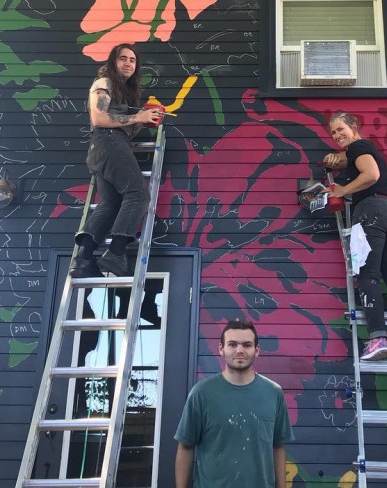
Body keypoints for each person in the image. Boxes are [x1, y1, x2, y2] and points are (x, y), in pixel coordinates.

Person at [322, 111, 387, 362]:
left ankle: (377, 339)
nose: (336, 135)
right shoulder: (360, 149)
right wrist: (334, 159)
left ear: (354, 127)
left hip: (371, 212)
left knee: (367, 274)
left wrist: (342, 190)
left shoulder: (359, 146)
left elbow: (371, 174)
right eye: (332, 132)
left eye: (341, 129)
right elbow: (348, 160)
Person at [70, 43, 162, 278]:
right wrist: (137, 116)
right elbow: (100, 118)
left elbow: (123, 124)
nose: (128, 64)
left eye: (132, 60)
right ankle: (116, 252)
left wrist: (144, 119)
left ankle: (84, 261)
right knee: (138, 195)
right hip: (109, 142)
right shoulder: (104, 83)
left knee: (110, 204)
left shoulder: (121, 90)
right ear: (113, 62)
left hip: (105, 146)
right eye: (123, 59)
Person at [174, 319, 294, 488]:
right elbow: (185, 447)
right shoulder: (201, 394)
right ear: (221, 349)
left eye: (246, 345)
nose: (239, 350)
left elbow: (278, 447)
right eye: (232, 344)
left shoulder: (274, 393)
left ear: (256, 350)